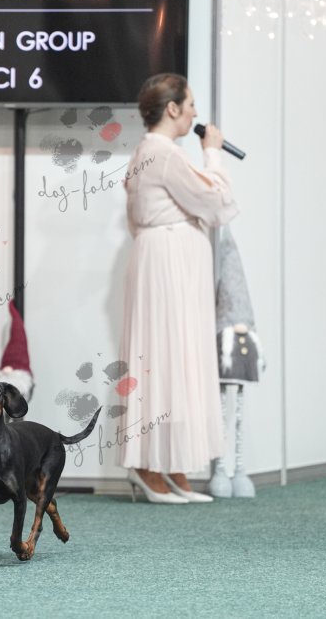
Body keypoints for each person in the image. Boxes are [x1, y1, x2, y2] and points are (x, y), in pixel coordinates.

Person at [119, 73, 239, 504]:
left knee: (172, 355)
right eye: (189, 105)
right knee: (166, 354)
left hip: (167, 260)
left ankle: (168, 462)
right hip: (167, 262)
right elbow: (217, 203)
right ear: (172, 109)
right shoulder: (163, 153)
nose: (195, 113)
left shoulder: (148, 152)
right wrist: (213, 154)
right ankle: (147, 464)